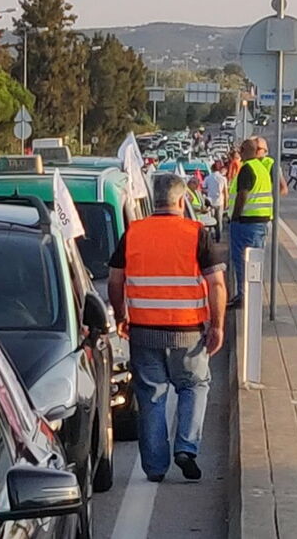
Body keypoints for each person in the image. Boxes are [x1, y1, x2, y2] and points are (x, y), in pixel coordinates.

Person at [107, 173, 226, 483]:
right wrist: (217, 326)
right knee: (194, 386)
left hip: (143, 331)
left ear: (154, 200)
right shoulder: (197, 233)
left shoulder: (133, 233)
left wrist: (120, 315)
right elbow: (216, 284)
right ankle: (186, 447)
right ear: (182, 200)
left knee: (151, 396)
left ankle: (155, 467)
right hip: (188, 332)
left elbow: (115, 280)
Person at [227, 137, 288, 308]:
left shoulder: (248, 168)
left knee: (242, 260)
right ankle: (251, 296)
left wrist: (235, 217)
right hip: (260, 221)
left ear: (245, 151)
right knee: (254, 261)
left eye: (241, 150)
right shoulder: (261, 168)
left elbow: (242, 195)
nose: (239, 153)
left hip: (246, 221)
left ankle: (244, 296)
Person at [203, 161, 228, 243]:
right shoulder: (223, 178)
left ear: (212, 169)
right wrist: (226, 203)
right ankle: (218, 237)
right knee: (219, 220)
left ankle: (211, 235)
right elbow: (225, 192)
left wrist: (209, 191)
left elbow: (204, 189)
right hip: (220, 201)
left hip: (210, 202)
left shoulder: (208, 178)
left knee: (211, 220)